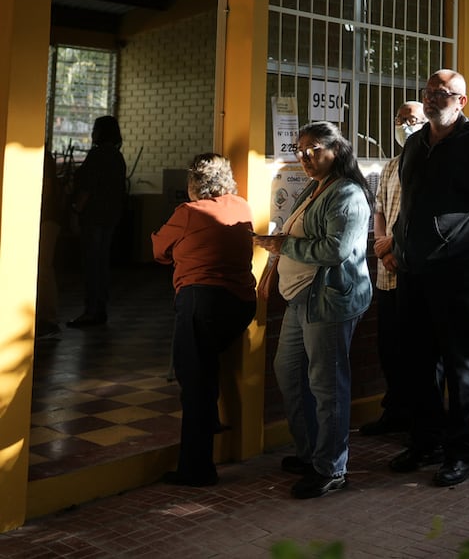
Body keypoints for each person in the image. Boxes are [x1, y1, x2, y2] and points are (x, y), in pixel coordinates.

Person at [387, 70, 469, 487]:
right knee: (418, 363)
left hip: (460, 274)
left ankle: (462, 452)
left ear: (461, 102)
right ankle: (427, 441)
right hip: (414, 272)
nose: (432, 99)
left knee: (463, 366)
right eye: (428, 92)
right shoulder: (414, 145)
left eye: (442, 94)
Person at [254, 122, 374, 499]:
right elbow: (295, 231)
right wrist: (273, 266)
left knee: (327, 385)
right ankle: (310, 452)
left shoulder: (348, 193)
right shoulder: (315, 186)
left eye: (313, 148)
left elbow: (334, 250)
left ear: (335, 150)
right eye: (299, 148)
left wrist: (281, 247)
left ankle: (331, 468)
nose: (303, 155)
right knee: (287, 371)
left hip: (328, 300)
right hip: (300, 298)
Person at [152, 153, 256, 487]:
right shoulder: (242, 206)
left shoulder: (188, 213)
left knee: (195, 380)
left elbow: (158, 251)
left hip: (202, 301)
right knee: (205, 369)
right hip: (241, 304)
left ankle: (196, 469)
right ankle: (210, 422)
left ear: (193, 184)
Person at [361, 101, 427, 436]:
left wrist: (396, 248)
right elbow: (380, 211)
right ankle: (395, 410)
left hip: (415, 272)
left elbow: (425, 219)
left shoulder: (432, 164)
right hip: (387, 273)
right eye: (399, 119)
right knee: (389, 347)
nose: (403, 125)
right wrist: (383, 245)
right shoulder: (391, 166)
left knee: (417, 351)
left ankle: (419, 419)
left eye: (411, 119)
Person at [67, 115, 127, 327]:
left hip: (93, 217)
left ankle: (91, 310)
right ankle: (99, 308)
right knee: (101, 264)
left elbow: (86, 188)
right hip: (111, 216)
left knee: (92, 264)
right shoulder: (118, 157)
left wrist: (75, 210)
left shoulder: (97, 155)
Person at [36, 148, 63, 338]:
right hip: (47, 218)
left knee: (44, 267)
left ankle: (48, 318)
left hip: (45, 219)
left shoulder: (42, 159)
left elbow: (46, 189)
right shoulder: (45, 158)